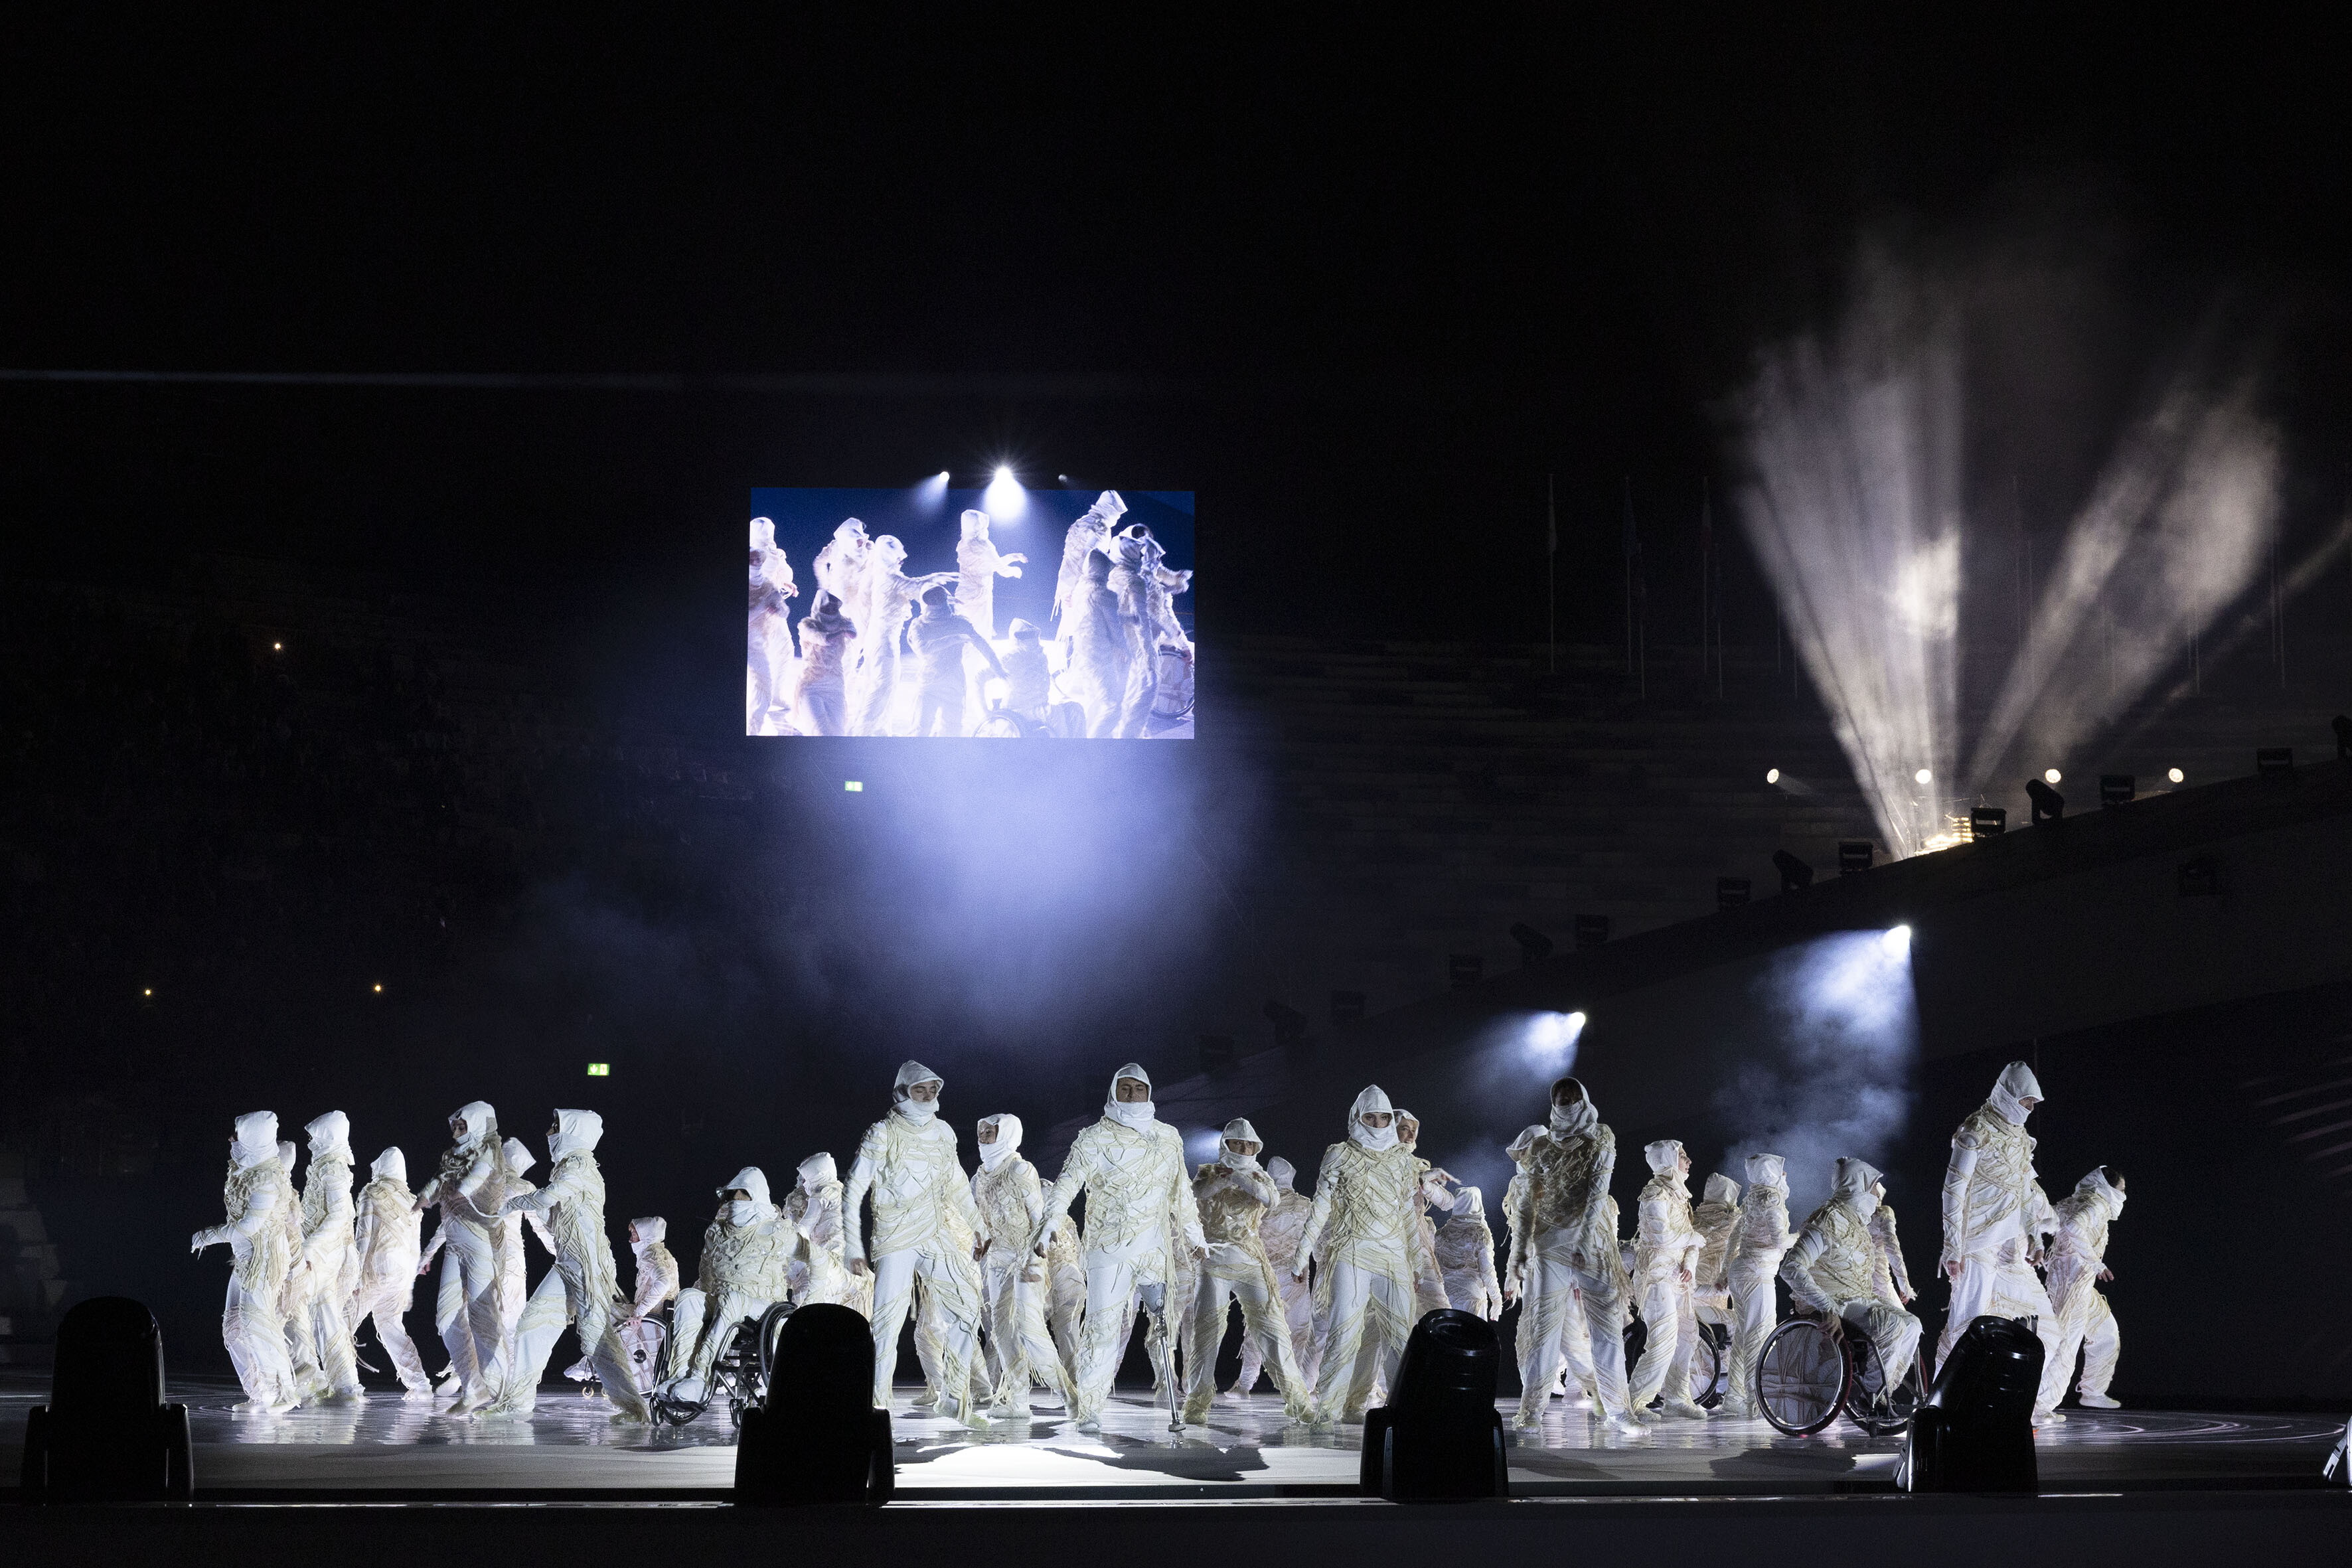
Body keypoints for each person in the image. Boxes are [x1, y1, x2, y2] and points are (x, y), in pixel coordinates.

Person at [1032, 1063, 1206, 1431]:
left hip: (1154, 1250)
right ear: (1114, 1092)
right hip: (1108, 1250)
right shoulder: (1094, 1137)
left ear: (1148, 1092)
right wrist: (1049, 1223)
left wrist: (1195, 1236)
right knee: (1102, 1327)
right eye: (1124, 1089)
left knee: (1161, 1326)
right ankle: (1090, 1407)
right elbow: (1067, 1182)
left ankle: (1167, 1388)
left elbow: (1182, 1193)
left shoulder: (1168, 1136)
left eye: (1138, 1089)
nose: (1131, 1095)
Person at [844, 1061, 988, 1424]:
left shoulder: (943, 1132)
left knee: (968, 1306)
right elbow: (855, 1188)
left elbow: (956, 1181)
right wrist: (853, 1246)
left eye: (933, 1089)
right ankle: (876, 1404)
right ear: (904, 1091)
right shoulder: (883, 1132)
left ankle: (955, 1397)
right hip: (895, 1236)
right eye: (920, 1089)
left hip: (935, 1231)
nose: (928, 1095)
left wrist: (978, 1226)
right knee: (887, 1323)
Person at [485, 1110, 646, 1420]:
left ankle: (634, 1408)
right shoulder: (567, 1168)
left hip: (588, 1265)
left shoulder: (580, 1164)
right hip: (567, 1263)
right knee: (533, 1323)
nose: (548, 1132)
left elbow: (547, 1199)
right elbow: (554, 1218)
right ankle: (516, 1401)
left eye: (555, 1127)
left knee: (596, 1336)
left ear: (571, 1132)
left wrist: (510, 1204)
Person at [1937, 1061, 2069, 1423]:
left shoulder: (2021, 1138)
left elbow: (2024, 1190)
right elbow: (1954, 1191)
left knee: (2047, 1329)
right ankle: (1943, 1402)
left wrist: (2036, 1236)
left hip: (2012, 1246)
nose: (2028, 1109)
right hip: (1977, 1243)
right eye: (2025, 1101)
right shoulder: (1974, 1130)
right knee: (1966, 1326)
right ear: (2008, 1093)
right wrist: (1953, 1245)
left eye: (2032, 1103)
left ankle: (2028, 1404)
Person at [1509, 1078, 1640, 1433]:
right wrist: (1518, 1251)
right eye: (1560, 1098)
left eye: (1572, 1097)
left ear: (1584, 1098)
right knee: (1543, 1331)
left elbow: (1599, 1192)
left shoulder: (1601, 1137)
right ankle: (1531, 1411)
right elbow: (1526, 1203)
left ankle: (1618, 1410)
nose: (1566, 1102)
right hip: (1549, 1245)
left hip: (1592, 1244)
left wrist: (1583, 1241)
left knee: (1607, 1329)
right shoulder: (1540, 1147)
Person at [1293, 1085, 1428, 1426]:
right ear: (1357, 1117)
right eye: (1371, 1116)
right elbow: (1320, 1207)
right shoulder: (1340, 1154)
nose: (1379, 1123)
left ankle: (1404, 1411)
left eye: (1384, 1117)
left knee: (1401, 1336)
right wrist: (1301, 1255)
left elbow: (1408, 1214)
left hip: (1394, 1255)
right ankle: (1327, 1411)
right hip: (1351, 1251)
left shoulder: (1401, 1159)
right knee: (1343, 1331)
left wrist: (1418, 1260)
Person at [1183, 1119, 1309, 1425]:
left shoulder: (1260, 1176)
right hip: (1214, 1262)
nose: (1243, 1148)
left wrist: (1239, 1177)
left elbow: (1271, 1198)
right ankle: (1197, 1402)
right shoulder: (1207, 1172)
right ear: (1226, 1144)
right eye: (1237, 1143)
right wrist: (1225, 1180)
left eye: (1249, 1144)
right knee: (1206, 1333)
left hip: (1253, 1261)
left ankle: (1299, 1400)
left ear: (1257, 1148)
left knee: (1274, 1331)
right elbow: (1198, 1194)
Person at [1780, 1158, 1922, 1399]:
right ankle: (1868, 1394)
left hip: (1858, 1298)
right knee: (1890, 1325)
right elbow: (1791, 1267)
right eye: (1872, 1187)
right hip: (1832, 1300)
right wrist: (1827, 1306)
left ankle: (1881, 1391)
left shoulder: (1857, 1223)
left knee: (1913, 1324)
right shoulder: (1828, 1220)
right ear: (1859, 1186)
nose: (1876, 1195)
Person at [192, 1111, 301, 1412]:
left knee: (258, 1324)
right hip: (244, 1259)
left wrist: (209, 1235)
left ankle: (285, 1391)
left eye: (239, 1135)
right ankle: (260, 1392)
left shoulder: (267, 1177)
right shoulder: (248, 1168)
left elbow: (249, 1226)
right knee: (234, 1328)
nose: (233, 1140)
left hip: (264, 1259)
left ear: (253, 1139)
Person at [414, 1102, 518, 1415]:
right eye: (455, 1126)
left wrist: (464, 1189)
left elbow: (479, 1174)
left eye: (464, 1126)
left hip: (478, 1239)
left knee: (482, 1314)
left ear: (477, 1124)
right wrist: (424, 1198)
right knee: (446, 1318)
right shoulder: (452, 1157)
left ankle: (502, 1391)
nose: (458, 1131)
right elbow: (438, 1182)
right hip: (455, 1240)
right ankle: (474, 1387)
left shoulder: (489, 1152)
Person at [663, 1168, 793, 1405]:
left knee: (732, 1299)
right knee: (689, 1296)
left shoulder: (777, 1231)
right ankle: (680, 1375)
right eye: (731, 1195)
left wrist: (809, 1299)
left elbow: (818, 1260)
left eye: (739, 1195)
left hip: (762, 1306)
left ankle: (700, 1378)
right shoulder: (717, 1231)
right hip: (724, 1298)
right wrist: (700, 1292)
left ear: (753, 1195)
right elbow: (706, 1273)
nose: (733, 1200)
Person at [970, 1113, 1069, 1417]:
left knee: (1030, 1327)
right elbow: (979, 1218)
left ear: (1007, 1133)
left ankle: (1071, 1397)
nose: (984, 1136)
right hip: (998, 1259)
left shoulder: (1020, 1168)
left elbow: (1039, 1214)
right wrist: (979, 1241)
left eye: (991, 1131)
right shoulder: (979, 1176)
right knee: (1001, 1330)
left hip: (1027, 1256)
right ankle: (1018, 1401)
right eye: (982, 1131)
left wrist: (1037, 1252)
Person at [1628, 1139, 1709, 1419]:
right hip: (1657, 1275)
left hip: (1677, 1278)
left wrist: (1689, 1262)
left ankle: (1677, 1396)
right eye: (1682, 1156)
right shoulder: (1654, 1194)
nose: (1688, 1162)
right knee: (1663, 1340)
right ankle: (1635, 1402)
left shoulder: (1679, 1196)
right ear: (1667, 1161)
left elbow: (1690, 1245)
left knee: (1688, 1336)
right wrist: (1693, 1239)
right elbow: (1663, 1237)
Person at [288, 1111, 363, 1403]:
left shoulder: (332, 1168)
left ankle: (311, 1373)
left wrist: (310, 1248)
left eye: (313, 1137)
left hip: (326, 1251)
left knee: (296, 1304)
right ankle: (342, 1384)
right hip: (325, 1249)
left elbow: (339, 1216)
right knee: (323, 1312)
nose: (309, 1143)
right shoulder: (326, 1165)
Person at [1231, 1153, 1318, 1398]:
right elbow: (1313, 1240)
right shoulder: (1304, 1204)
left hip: (1271, 1274)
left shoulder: (1259, 1203)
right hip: (1293, 1275)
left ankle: (1246, 1384)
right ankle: (1304, 1385)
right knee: (1298, 1330)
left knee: (1259, 1328)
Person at [350, 1147, 434, 1397]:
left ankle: (346, 1385)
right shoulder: (412, 1201)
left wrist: (355, 1276)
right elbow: (414, 1246)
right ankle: (420, 1384)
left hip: (377, 1269)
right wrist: (408, 1285)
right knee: (391, 1325)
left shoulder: (372, 1192)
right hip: (401, 1273)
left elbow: (362, 1236)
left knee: (343, 1323)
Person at [850, 536, 956, 735]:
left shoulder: (883, 574)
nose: (902, 558)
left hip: (881, 637)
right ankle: (861, 733)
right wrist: (936, 581)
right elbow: (914, 588)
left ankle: (878, 728)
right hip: (884, 640)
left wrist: (934, 579)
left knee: (883, 685)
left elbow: (911, 585)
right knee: (882, 687)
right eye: (896, 553)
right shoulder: (889, 578)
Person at [2045, 1167, 2128, 1410]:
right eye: (2121, 1190)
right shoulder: (2097, 1204)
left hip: (2079, 1285)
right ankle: (2040, 1406)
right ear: (2108, 1188)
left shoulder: (2075, 1201)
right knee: (2065, 1347)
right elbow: (2072, 1226)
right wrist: (2096, 1263)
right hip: (2071, 1289)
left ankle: (2093, 1391)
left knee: (2106, 1334)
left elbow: (2049, 1221)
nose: (2123, 1195)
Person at [1720, 1152, 1794, 1419]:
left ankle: (1735, 1398)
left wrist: (1723, 1271)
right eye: (1781, 1172)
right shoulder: (1770, 1199)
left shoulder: (1752, 1198)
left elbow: (1734, 1239)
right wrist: (1807, 1235)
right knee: (1759, 1336)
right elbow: (1780, 1241)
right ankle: (1757, 1401)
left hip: (1742, 1272)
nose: (1785, 1177)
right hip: (1757, 1275)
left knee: (1743, 1337)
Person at [909, 584, 1006, 738]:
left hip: (951, 685)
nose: (937, 603)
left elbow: (982, 645)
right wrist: (955, 638)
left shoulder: (958, 623)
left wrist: (997, 666)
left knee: (951, 730)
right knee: (922, 729)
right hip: (931, 685)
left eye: (939, 599)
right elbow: (924, 649)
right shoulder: (920, 625)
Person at [1063, 550, 1133, 738]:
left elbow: (1098, 617)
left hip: (1083, 655)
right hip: (1100, 658)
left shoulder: (1081, 590)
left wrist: (1130, 618)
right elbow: (1115, 627)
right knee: (1113, 707)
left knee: (1094, 702)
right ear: (1103, 571)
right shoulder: (1104, 594)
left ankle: (1090, 739)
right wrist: (1127, 649)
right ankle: (1093, 745)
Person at [1394, 1110, 1457, 1320]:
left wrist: (1425, 1183)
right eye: (1405, 1129)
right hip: (1388, 1245)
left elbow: (1448, 1202)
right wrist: (1420, 1180)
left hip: (1419, 1246)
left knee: (1438, 1310)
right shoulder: (1376, 1165)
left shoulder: (1418, 1164)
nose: (1411, 1136)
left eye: (1414, 1131)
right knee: (1392, 1315)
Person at [498, 1138, 558, 1347]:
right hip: (510, 1261)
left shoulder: (481, 1182)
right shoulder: (522, 1186)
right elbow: (540, 1225)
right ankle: (514, 1377)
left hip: (478, 1258)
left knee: (479, 1324)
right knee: (511, 1324)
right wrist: (560, 1252)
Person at [788, 1153, 855, 1308]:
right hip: (844, 1265)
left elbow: (804, 1229)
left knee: (801, 1296)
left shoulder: (823, 1192)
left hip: (827, 1260)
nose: (804, 1185)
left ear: (816, 1177)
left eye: (806, 1180)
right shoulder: (843, 1193)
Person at [955, 508, 1026, 641]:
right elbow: (1002, 570)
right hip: (979, 595)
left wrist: (1012, 557)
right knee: (980, 633)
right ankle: (977, 660)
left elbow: (987, 565)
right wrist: (1016, 571)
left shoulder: (963, 543)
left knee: (964, 632)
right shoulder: (983, 545)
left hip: (964, 594)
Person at [793, 591, 858, 737]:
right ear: (819, 606)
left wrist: (847, 630)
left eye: (834, 608)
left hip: (835, 685)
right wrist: (841, 632)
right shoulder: (807, 625)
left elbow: (853, 633)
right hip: (812, 685)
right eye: (828, 607)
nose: (831, 610)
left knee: (837, 732)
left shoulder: (843, 622)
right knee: (819, 731)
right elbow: (823, 639)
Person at [1434, 1185, 1504, 1320]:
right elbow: (1487, 1271)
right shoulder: (1480, 1234)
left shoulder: (1441, 1233)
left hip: (1444, 1297)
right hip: (1470, 1298)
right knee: (1470, 1339)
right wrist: (1497, 1300)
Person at [1691, 1172, 1743, 1334]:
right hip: (1704, 1301)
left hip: (1692, 1298)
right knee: (1740, 1324)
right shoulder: (1731, 1225)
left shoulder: (1691, 1223)